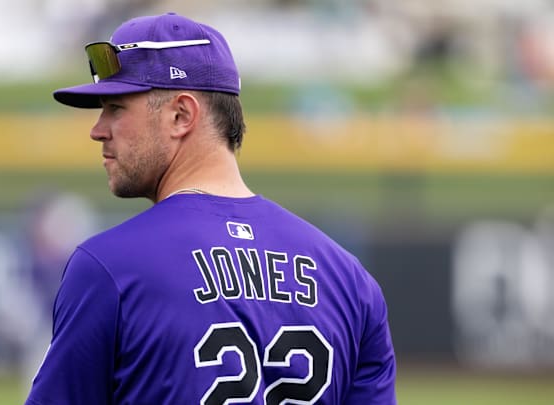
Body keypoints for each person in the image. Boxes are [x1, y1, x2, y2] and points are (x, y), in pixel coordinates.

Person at [25, 12, 396, 405]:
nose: (98, 129)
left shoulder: (109, 267)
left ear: (181, 115)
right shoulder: (350, 281)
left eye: (116, 108)